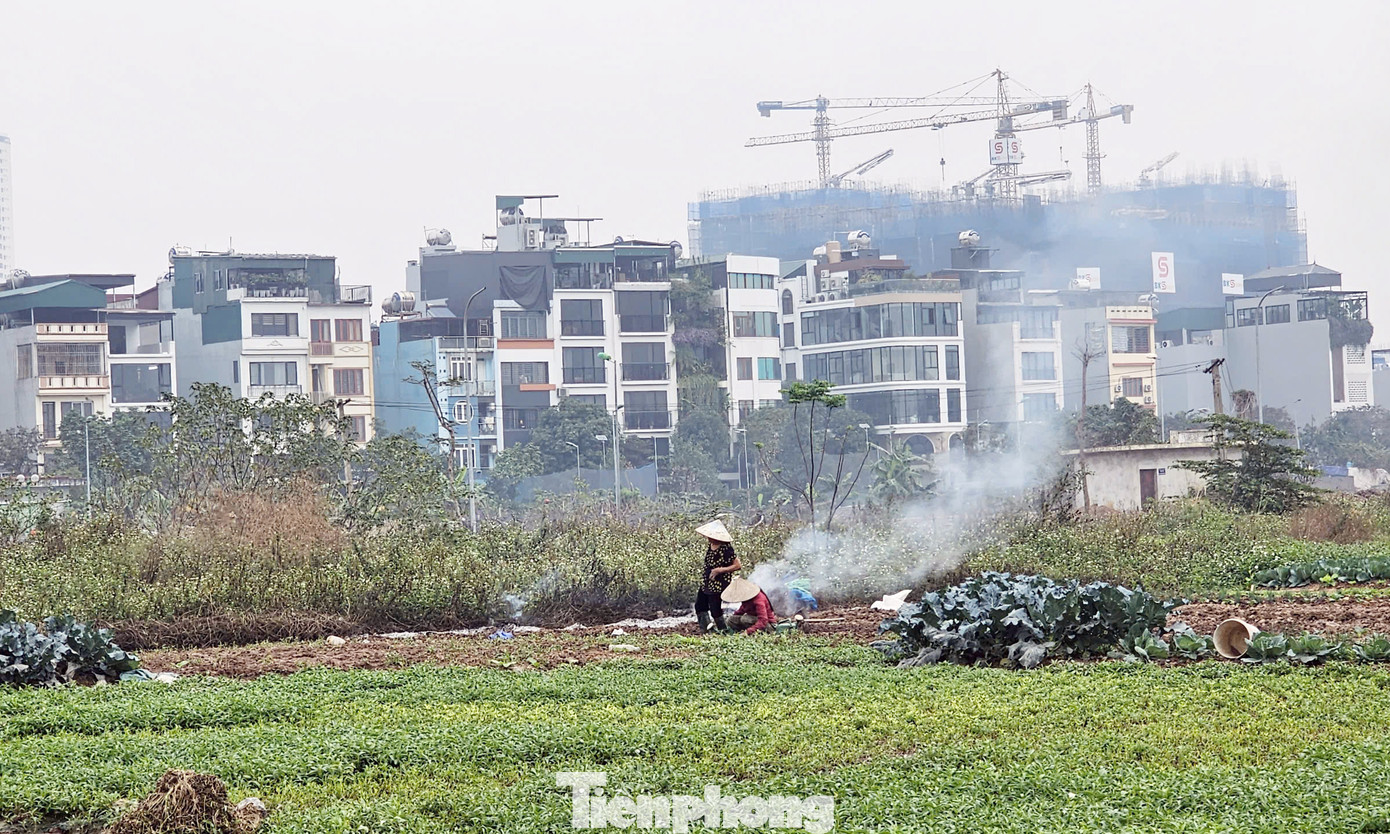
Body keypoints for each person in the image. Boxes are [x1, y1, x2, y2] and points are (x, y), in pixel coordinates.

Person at [694, 519, 739, 633]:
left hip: (719, 583)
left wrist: (720, 570)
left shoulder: (726, 548)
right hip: (707, 581)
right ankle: (706, 630)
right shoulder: (711, 545)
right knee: (700, 605)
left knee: (715, 609)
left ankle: (723, 630)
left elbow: (737, 565)